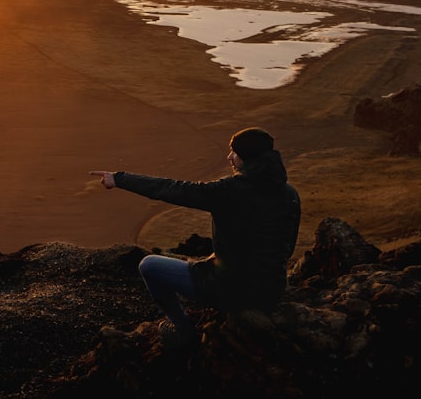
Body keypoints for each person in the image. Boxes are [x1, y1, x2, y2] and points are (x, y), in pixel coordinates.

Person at [91, 127, 300, 346]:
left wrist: (119, 179)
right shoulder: (290, 194)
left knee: (149, 265)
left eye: (234, 152)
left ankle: (182, 330)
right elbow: (287, 248)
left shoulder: (228, 191)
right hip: (272, 291)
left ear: (247, 157)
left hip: (232, 290)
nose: (229, 156)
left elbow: (173, 189)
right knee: (205, 263)